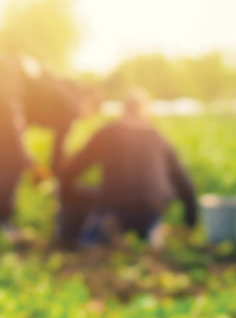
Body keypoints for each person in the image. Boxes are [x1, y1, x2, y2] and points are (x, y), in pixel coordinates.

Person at [0, 57, 96, 241]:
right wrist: (56, 180)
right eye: (92, 111)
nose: (86, 117)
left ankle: (0, 223)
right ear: (89, 100)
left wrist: (30, 162)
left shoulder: (57, 91)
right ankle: (3, 224)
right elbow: (57, 156)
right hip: (3, 88)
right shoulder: (73, 104)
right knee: (13, 161)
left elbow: (13, 135)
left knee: (0, 158)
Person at [59, 90, 197, 248]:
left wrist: (65, 194)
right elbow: (185, 185)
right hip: (152, 207)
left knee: (91, 215)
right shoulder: (158, 138)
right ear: (146, 113)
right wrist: (190, 224)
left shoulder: (107, 133)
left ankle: (75, 238)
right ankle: (150, 233)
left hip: (114, 204)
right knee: (152, 208)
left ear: (123, 111)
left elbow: (72, 170)